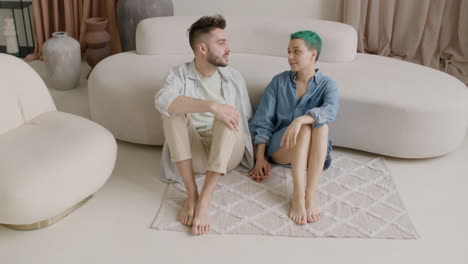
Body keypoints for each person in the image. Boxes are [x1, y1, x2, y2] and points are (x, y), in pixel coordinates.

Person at [154, 15, 254, 235]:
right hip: (193, 154)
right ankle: (192, 194)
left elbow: (246, 116)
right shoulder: (178, 74)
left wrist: (221, 111)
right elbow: (162, 101)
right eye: (221, 43)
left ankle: (204, 199)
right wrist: (211, 106)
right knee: (171, 112)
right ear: (202, 48)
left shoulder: (234, 77)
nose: (228, 48)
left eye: (226, 42)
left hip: (228, 154)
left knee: (228, 114)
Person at [249, 30, 339, 225]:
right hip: (282, 148)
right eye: (289, 51)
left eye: (296, 51)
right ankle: (298, 196)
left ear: (313, 54)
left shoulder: (328, 84)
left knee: (319, 126)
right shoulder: (279, 82)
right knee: (305, 128)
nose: (290, 57)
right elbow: (263, 121)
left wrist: (300, 120)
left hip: (313, 153)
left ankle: (310, 195)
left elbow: (330, 111)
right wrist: (260, 158)